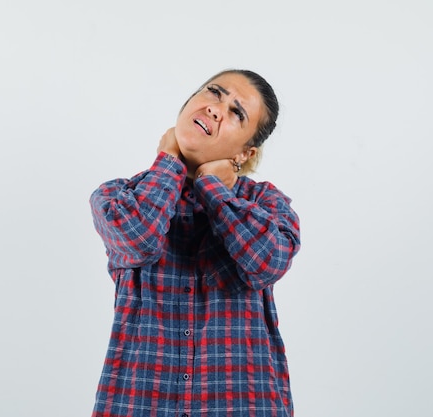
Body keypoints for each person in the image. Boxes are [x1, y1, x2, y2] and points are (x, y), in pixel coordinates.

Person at [89, 69, 301, 417]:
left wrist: (213, 188)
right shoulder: (118, 197)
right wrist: (169, 161)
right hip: (139, 403)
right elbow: (138, 238)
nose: (217, 108)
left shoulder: (266, 204)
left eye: (237, 112)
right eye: (214, 93)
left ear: (246, 153)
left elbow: (266, 264)